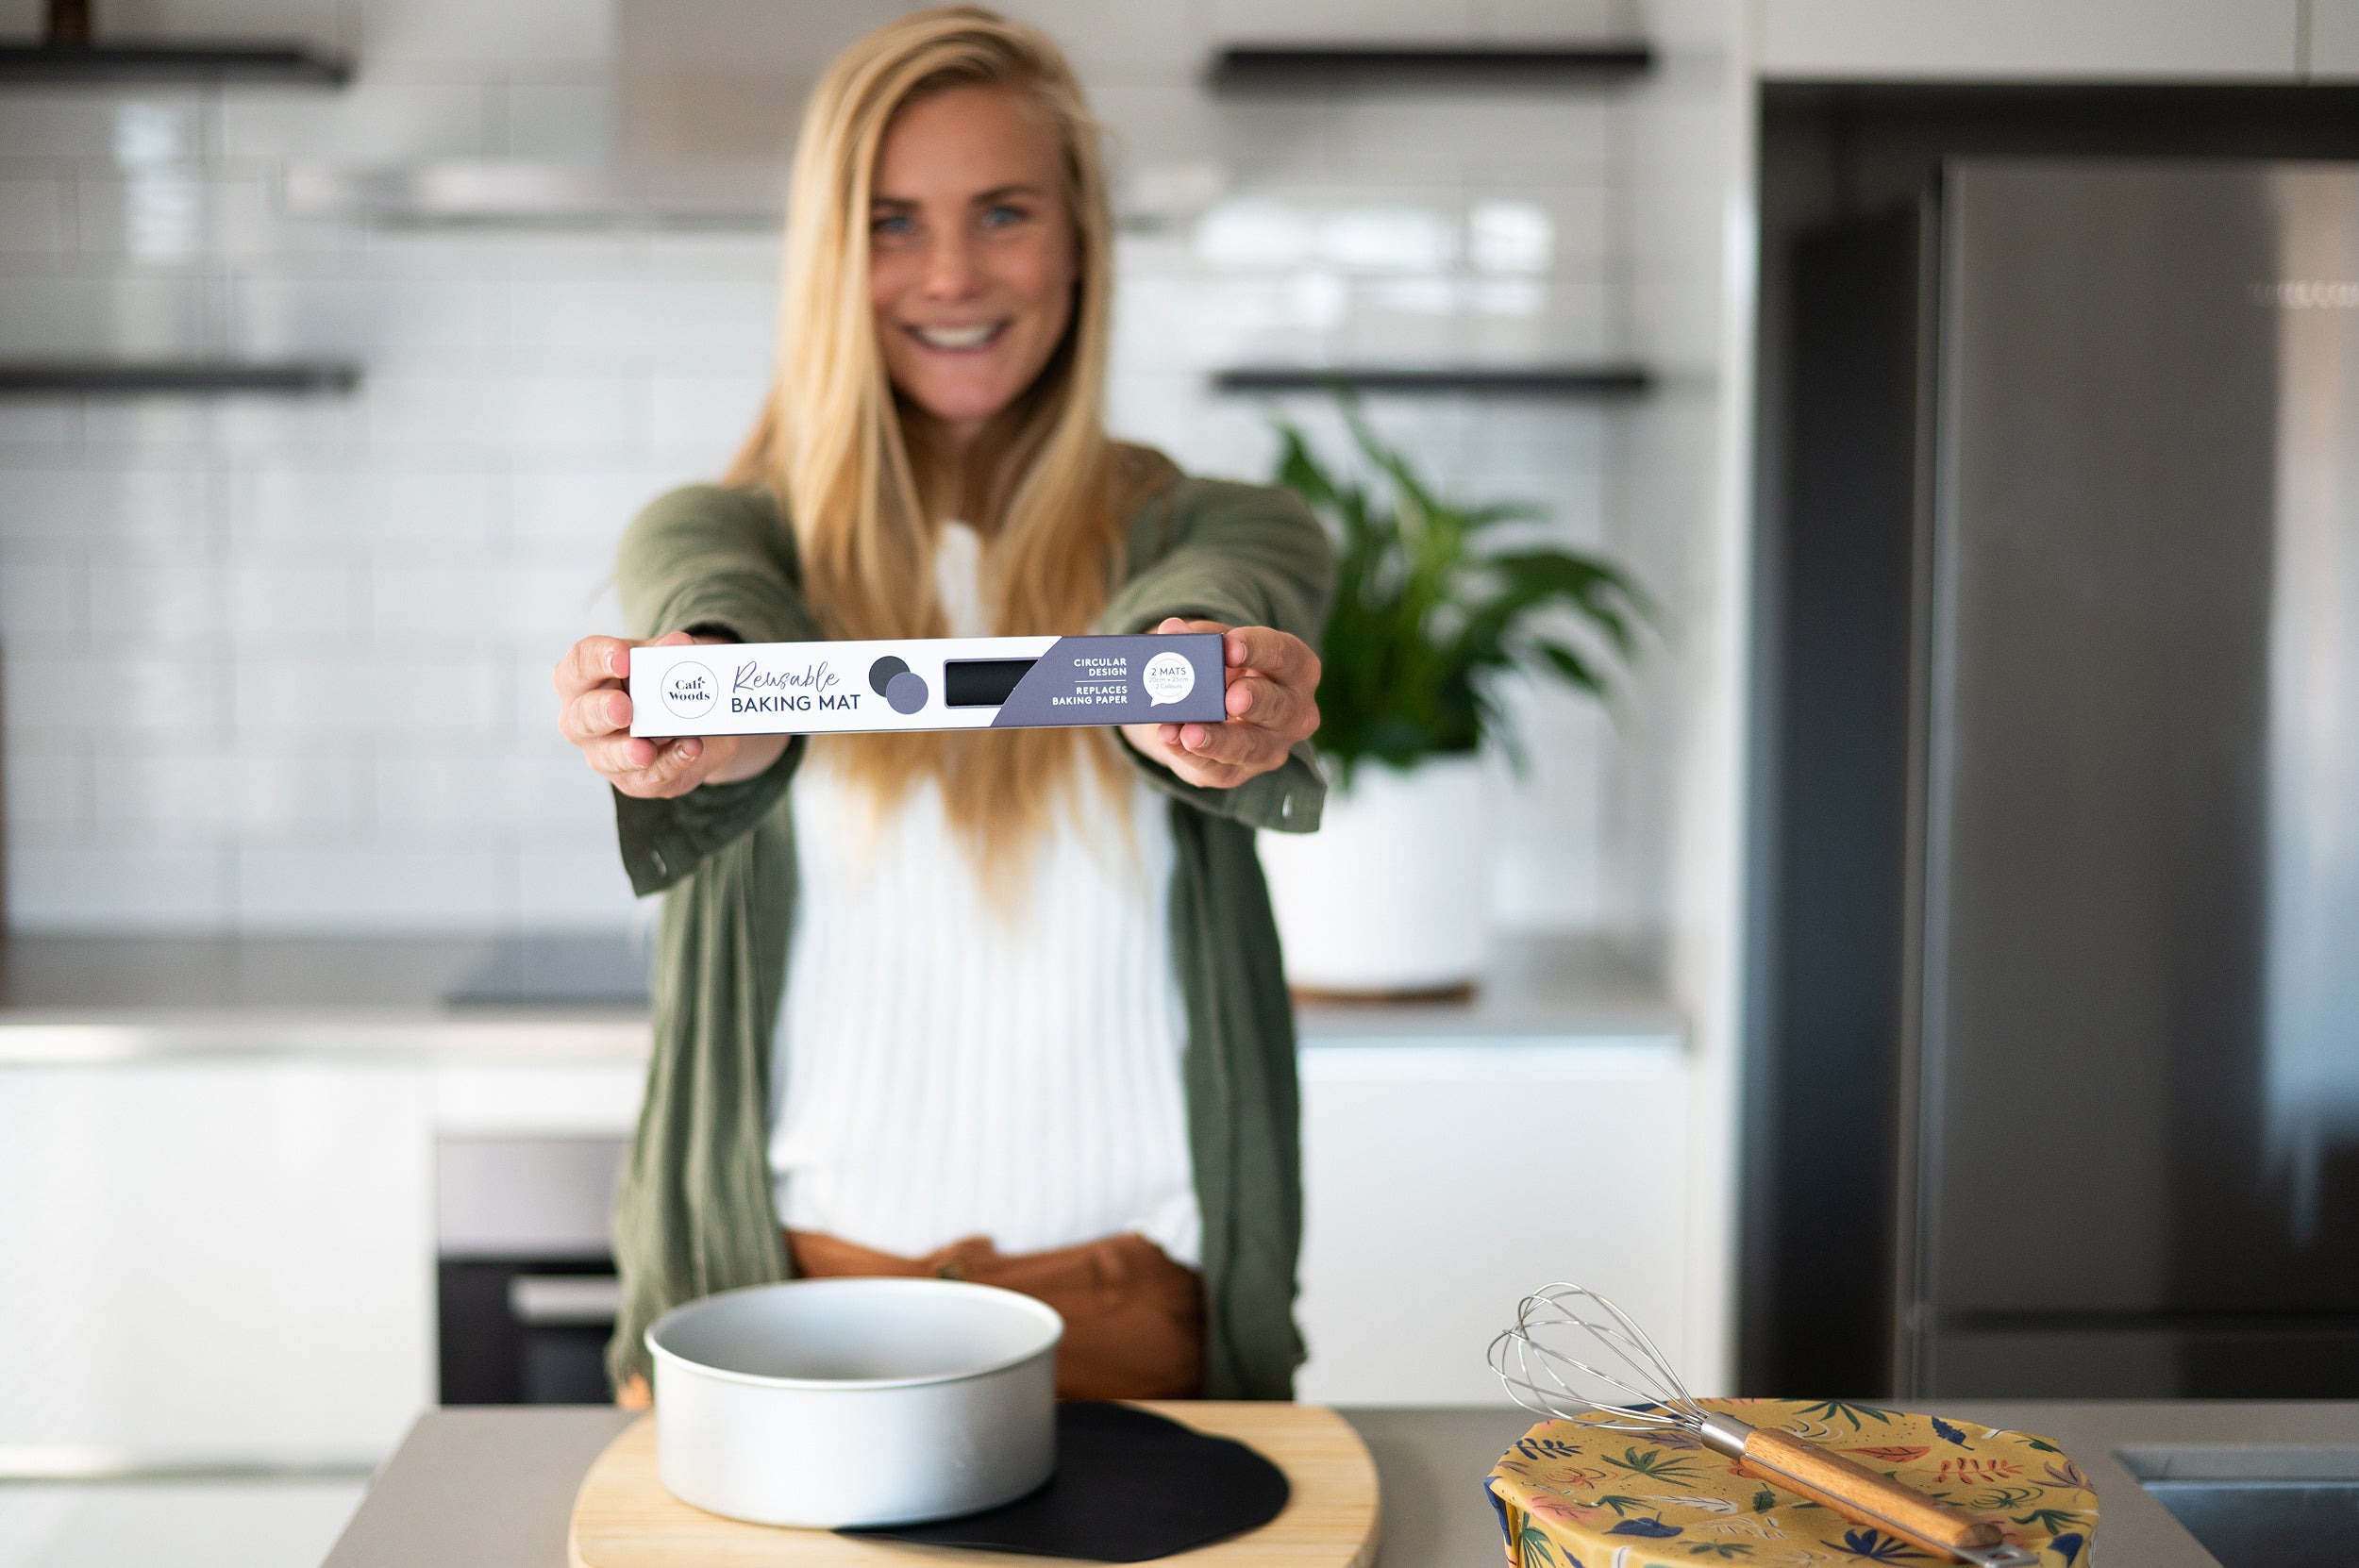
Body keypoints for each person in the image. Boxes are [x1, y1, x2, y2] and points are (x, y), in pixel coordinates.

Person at [552, 5, 1331, 1406]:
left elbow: (1228, 590)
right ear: (826, 256)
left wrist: (1202, 671)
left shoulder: (1216, 527)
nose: (953, 271)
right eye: (892, 220)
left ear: (1082, 240)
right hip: (772, 1321)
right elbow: (710, 607)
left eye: (1005, 212)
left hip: (1138, 1330)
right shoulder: (726, 531)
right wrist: (705, 698)